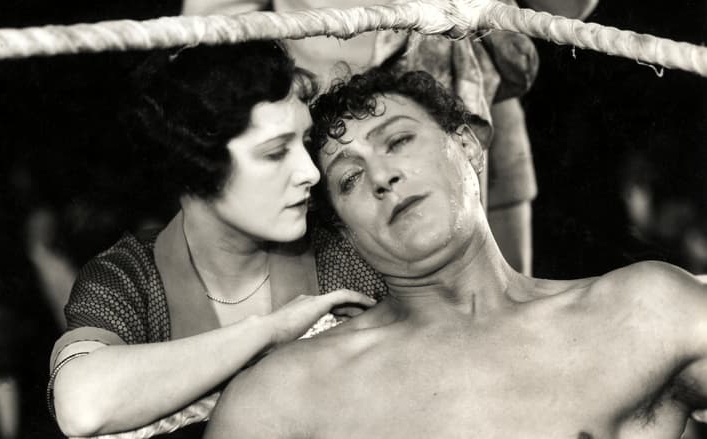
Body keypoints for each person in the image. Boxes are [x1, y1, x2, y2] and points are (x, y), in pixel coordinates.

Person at [204, 67, 707, 438]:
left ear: (468, 145)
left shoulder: (641, 310)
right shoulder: (286, 394)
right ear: (341, 228)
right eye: (350, 178)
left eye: (398, 140)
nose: (382, 176)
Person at [48, 41, 381, 438]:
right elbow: (82, 406)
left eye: (305, 143)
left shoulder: (347, 252)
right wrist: (269, 330)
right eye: (275, 153)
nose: (309, 172)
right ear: (196, 164)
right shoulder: (127, 277)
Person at [182, 0, 599, 276]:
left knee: (501, 298)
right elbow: (210, 34)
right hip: (324, 115)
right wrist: (281, 107)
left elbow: (565, 9)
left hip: (473, 102)